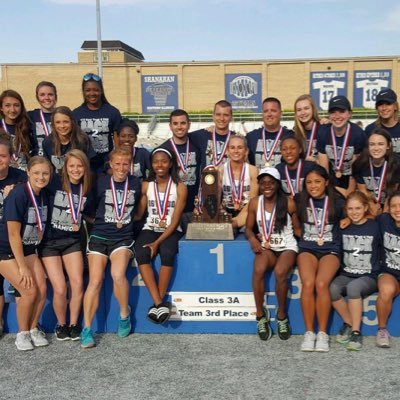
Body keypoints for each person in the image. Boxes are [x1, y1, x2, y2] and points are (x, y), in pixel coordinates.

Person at [80, 148, 140, 348]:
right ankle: (87, 329)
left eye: (125, 164)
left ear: (130, 164)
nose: (121, 168)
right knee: (95, 280)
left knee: (117, 274)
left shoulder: (136, 183)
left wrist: (125, 222)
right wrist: (100, 223)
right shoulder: (100, 183)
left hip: (122, 238)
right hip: (99, 236)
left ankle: (124, 314)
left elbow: (139, 211)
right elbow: (87, 212)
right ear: (110, 164)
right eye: (118, 164)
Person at [0, 156, 51, 350]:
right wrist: (22, 267)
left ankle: (32, 329)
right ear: (28, 172)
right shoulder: (19, 194)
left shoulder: (43, 194)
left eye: (45, 173)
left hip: (28, 247)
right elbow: (13, 234)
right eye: (36, 173)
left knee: (42, 289)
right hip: (6, 249)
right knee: (29, 291)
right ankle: (21, 334)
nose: (41, 177)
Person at [40, 150, 91, 341]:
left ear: (85, 167)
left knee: (77, 284)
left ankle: (73, 323)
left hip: (72, 241)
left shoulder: (88, 188)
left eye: (79, 166)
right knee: (60, 288)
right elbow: (34, 185)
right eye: (71, 166)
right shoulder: (53, 182)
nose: (76, 170)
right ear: (64, 167)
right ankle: (61, 324)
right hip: (50, 242)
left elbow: (92, 213)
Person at [245, 167, 299, 341]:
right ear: (259, 185)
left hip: (287, 246)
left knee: (280, 272)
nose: (267, 185)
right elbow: (247, 228)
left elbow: (298, 229)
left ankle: (282, 315)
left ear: (277, 184)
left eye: (271, 182)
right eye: (263, 183)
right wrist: (252, 238)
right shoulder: (254, 202)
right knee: (259, 268)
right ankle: (260, 316)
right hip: (267, 246)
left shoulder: (289, 202)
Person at [135, 148, 187, 324]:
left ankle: (157, 304)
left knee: (167, 252)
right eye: (156, 161)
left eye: (164, 161)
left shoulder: (180, 187)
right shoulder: (146, 186)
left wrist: (157, 242)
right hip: (150, 228)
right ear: (151, 164)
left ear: (171, 163)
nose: (160, 165)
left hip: (172, 230)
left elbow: (175, 221)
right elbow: (140, 213)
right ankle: (159, 303)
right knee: (141, 253)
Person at [296, 164, 345, 352]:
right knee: (308, 284)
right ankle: (309, 332)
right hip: (307, 248)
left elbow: (360, 209)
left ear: (326, 182)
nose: (313, 186)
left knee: (321, 283)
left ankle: (323, 333)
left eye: (317, 181)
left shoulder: (337, 202)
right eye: (309, 182)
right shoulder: (300, 199)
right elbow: (288, 215)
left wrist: (347, 219)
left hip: (330, 249)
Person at [330, 191, 380, 351]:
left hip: (369, 276)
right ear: (346, 209)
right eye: (350, 209)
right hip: (347, 273)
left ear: (365, 207)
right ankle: (349, 321)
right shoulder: (343, 226)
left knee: (353, 288)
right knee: (331, 288)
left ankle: (356, 332)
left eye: (358, 208)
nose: (354, 212)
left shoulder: (375, 226)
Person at [0, 132, 27, 337]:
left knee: (24, 286)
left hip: (15, 242)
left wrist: (14, 195)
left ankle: (26, 328)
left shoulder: (20, 178)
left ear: (10, 157)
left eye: (2, 156)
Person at [160, 109, 201, 231]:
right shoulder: (163, 150)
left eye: (183, 123)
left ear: (189, 125)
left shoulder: (198, 145)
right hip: (173, 208)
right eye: (175, 123)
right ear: (170, 126)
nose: (179, 127)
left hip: (195, 206)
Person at [73, 73, 122, 173]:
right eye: (88, 90)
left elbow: (117, 140)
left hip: (106, 163)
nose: (92, 93)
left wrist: (116, 161)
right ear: (83, 92)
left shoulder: (113, 112)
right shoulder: (76, 114)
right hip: (85, 163)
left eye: (96, 90)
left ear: (101, 91)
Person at [352, 127, 400, 215]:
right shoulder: (360, 164)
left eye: (381, 144)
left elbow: (391, 194)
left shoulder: (396, 164)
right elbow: (362, 190)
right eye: (372, 144)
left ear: (388, 145)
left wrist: (384, 214)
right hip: (369, 203)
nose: (376, 148)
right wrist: (372, 206)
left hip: (390, 203)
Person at [376, 191, 400, 348]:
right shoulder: (383, 220)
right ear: (388, 208)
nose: (397, 209)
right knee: (386, 290)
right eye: (394, 206)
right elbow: (362, 220)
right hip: (390, 272)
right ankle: (382, 329)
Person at [42, 106, 95, 175]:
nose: (62, 126)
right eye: (58, 122)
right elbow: (48, 168)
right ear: (53, 125)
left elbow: (89, 166)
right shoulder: (47, 142)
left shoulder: (82, 140)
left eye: (66, 122)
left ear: (72, 122)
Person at [220, 135, 258, 229]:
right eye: (232, 148)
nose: (236, 151)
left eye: (240, 147)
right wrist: (224, 215)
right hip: (226, 212)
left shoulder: (253, 171)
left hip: (248, 211)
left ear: (246, 151)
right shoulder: (219, 171)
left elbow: (253, 201)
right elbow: (216, 201)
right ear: (227, 151)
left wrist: (238, 220)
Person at [247, 97, 293, 170]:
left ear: (281, 113)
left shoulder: (291, 136)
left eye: (273, 111)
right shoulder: (251, 137)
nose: (269, 114)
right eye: (266, 111)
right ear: (262, 114)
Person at [189, 100, 234, 171]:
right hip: (206, 181)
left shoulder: (236, 139)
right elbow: (179, 137)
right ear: (213, 116)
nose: (222, 118)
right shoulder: (201, 135)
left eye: (226, 115)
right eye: (218, 114)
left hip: (229, 181)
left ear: (231, 117)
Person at [0, 89, 38, 171]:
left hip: (24, 174)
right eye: (7, 105)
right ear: (1, 108)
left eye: (16, 105)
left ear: (21, 107)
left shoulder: (28, 127)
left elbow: (35, 151)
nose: (12, 110)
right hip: (3, 174)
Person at [365, 89, 400, 154]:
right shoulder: (370, 130)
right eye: (380, 104)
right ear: (377, 108)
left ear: (395, 106)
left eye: (388, 104)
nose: (384, 108)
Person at [28, 81, 57, 156]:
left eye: (50, 94)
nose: (46, 98)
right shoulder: (30, 116)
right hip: (39, 162)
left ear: (55, 96)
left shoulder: (62, 114)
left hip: (59, 160)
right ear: (37, 97)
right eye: (42, 95)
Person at [293, 94, 321, 161]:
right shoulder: (294, 133)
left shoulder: (323, 128)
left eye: (306, 108)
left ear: (313, 109)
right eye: (299, 110)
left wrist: (315, 161)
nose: (303, 112)